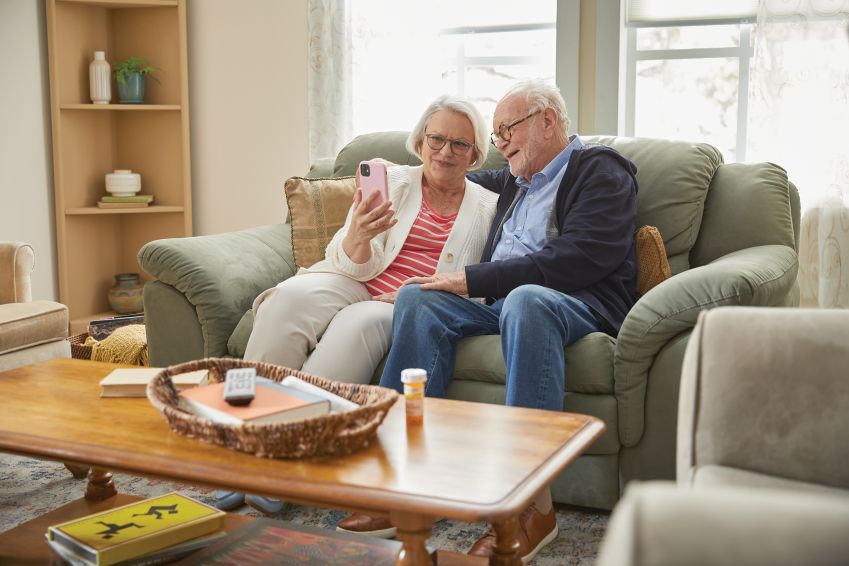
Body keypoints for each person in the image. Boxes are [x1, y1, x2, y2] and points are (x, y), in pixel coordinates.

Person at [373, 80, 640, 561]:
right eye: (495, 136)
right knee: (418, 299)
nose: (499, 144)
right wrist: (388, 177)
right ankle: (403, 481)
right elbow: (446, 173)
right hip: (501, 304)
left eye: (506, 130)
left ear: (547, 120)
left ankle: (527, 505)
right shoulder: (508, 182)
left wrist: (474, 278)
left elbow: (581, 256)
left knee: (526, 299)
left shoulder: (601, 170)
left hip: (574, 301)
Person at [222, 94, 497, 515]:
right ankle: (246, 449)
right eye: (437, 138)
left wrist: (418, 291)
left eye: (460, 144)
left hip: (411, 299)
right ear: (421, 141)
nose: (445, 151)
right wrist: (358, 235)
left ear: (475, 154)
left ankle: (286, 463)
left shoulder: (489, 206)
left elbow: (478, 284)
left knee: (356, 326)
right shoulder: (392, 180)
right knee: (286, 302)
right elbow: (345, 260)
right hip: (358, 275)